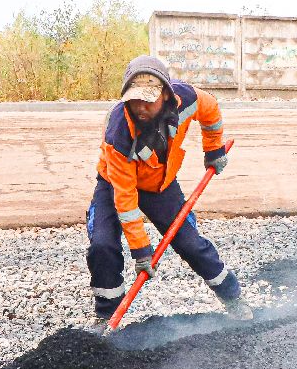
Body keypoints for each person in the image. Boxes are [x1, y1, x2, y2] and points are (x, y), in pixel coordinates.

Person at [87, 54, 252, 324]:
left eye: (148, 100)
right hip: (115, 184)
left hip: (159, 183)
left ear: (165, 94)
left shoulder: (186, 98)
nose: (140, 107)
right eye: (134, 100)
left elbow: (210, 109)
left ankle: (233, 298)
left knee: (190, 244)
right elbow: (126, 199)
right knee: (103, 245)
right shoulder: (118, 132)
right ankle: (106, 316)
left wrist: (213, 149)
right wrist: (141, 249)